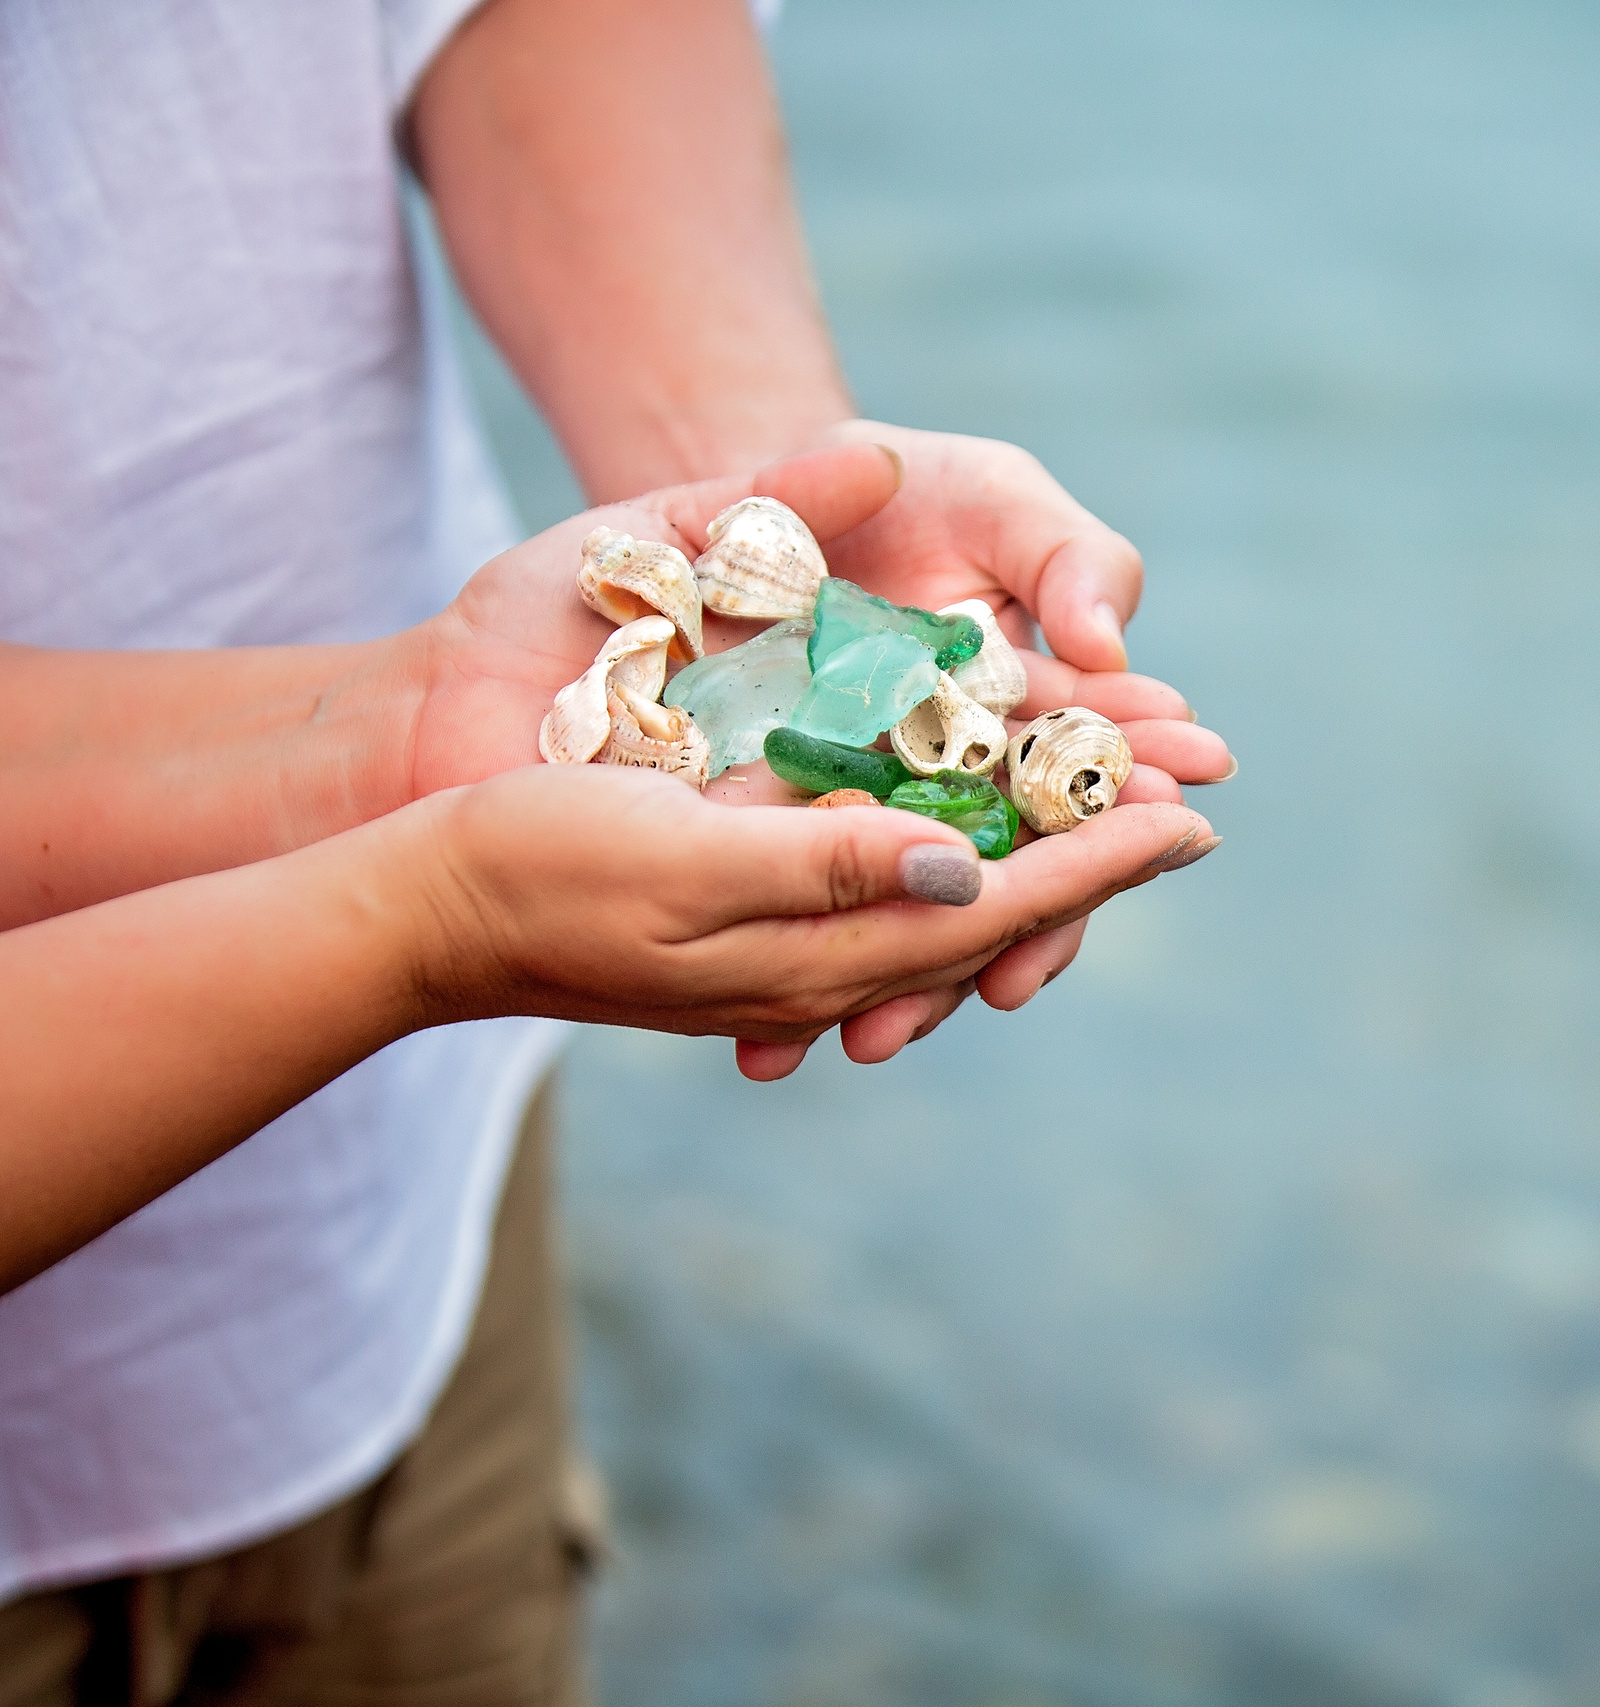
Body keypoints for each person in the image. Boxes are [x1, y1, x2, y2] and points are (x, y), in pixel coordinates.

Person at [0, 0, 1231, 1697]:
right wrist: (421, 915)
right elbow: (441, 897)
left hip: (395, 1267)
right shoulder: (446, 875)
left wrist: (773, 496)